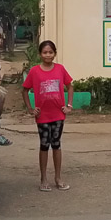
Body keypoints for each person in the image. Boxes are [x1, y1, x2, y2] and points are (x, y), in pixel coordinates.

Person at [22, 40, 74, 192]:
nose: (48, 55)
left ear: (55, 53)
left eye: (50, 52)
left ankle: (58, 178)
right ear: (40, 54)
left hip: (58, 115)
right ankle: (43, 178)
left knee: (56, 144)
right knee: (44, 145)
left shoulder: (60, 69)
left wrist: (69, 105)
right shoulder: (34, 71)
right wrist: (31, 109)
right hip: (42, 116)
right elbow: (25, 90)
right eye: (45, 52)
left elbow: (70, 85)